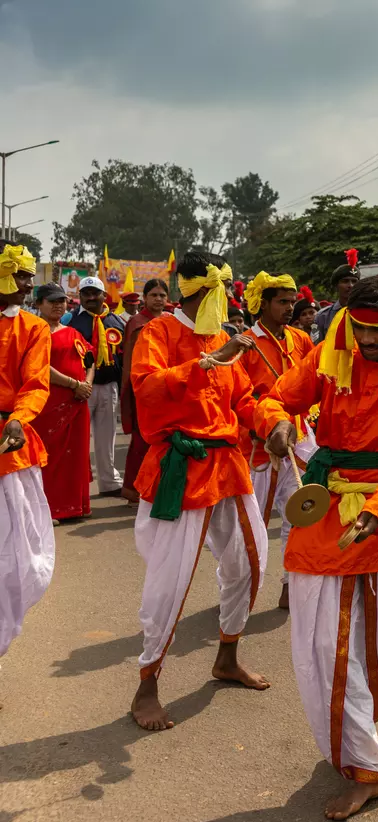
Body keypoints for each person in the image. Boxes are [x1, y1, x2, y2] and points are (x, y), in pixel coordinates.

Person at [260, 275, 378, 820]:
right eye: (359, 327)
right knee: (325, 645)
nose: (365, 340)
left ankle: (354, 730)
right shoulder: (331, 350)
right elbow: (275, 398)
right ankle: (369, 766)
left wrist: (377, 508)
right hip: (327, 515)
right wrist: (275, 426)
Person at [128, 252, 270, 732]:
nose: (228, 299)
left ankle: (227, 657)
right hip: (181, 466)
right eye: (220, 291)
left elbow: (244, 398)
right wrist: (206, 362)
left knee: (251, 563)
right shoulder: (159, 332)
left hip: (228, 462)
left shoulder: (224, 336)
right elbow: (145, 389)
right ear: (195, 291)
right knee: (171, 580)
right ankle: (147, 684)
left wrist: (273, 423)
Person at [239, 271, 316, 610]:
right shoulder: (245, 342)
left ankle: (289, 583)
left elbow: (316, 385)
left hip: (299, 442)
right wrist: (268, 427)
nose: (289, 307)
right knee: (252, 523)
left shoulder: (301, 339)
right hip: (258, 445)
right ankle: (239, 586)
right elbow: (238, 399)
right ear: (263, 304)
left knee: (298, 516)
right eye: (282, 302)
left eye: (291, 301)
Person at [0, 243, 55, 662]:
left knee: (14, 557)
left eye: (27, 277)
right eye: (19, 275)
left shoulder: (33, 328)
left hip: (11, 446)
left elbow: (36, 384)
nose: (26, 285)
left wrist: (19, 418)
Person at [31, 283, 94, 523]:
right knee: (51, 456)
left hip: (78, 403)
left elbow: (90, 360)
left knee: (75, 455)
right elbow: (39, 367)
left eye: (62, 301)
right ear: (39, 304)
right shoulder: (35, 331)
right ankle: (51, 508)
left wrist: (86, 385)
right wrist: (73, 384)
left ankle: (76, 505)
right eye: (52, 301)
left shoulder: (73, 333)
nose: (58, 305)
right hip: (49, 402)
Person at [64, 276, 126, 498]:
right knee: (77, 439)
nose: (90, 298)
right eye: (86, 294)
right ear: (79, 296)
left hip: (109, 387)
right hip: (79, 389)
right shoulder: (69, 320)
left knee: (106, 437)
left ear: (104, 296)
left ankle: (109, 482)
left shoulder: (117, 323)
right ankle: (74, 486)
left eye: (94, 293)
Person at [121, 279, 170, 504]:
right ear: (145, 298)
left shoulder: (171, 321)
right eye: (154, 295)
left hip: (166, 386)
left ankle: (157, 486)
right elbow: (130, 361)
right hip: (142, 387)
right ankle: (133, 489)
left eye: (162, 295)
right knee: (141, 441)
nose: (158, 299)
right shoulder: (136, 322)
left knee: (163, 441)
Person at [312, 251, 360, 344]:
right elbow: (315, 345)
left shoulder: (365, 312)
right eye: (345, 281)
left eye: (354, 281)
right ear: (336, 286)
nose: (350, 285)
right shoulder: (321, 316)